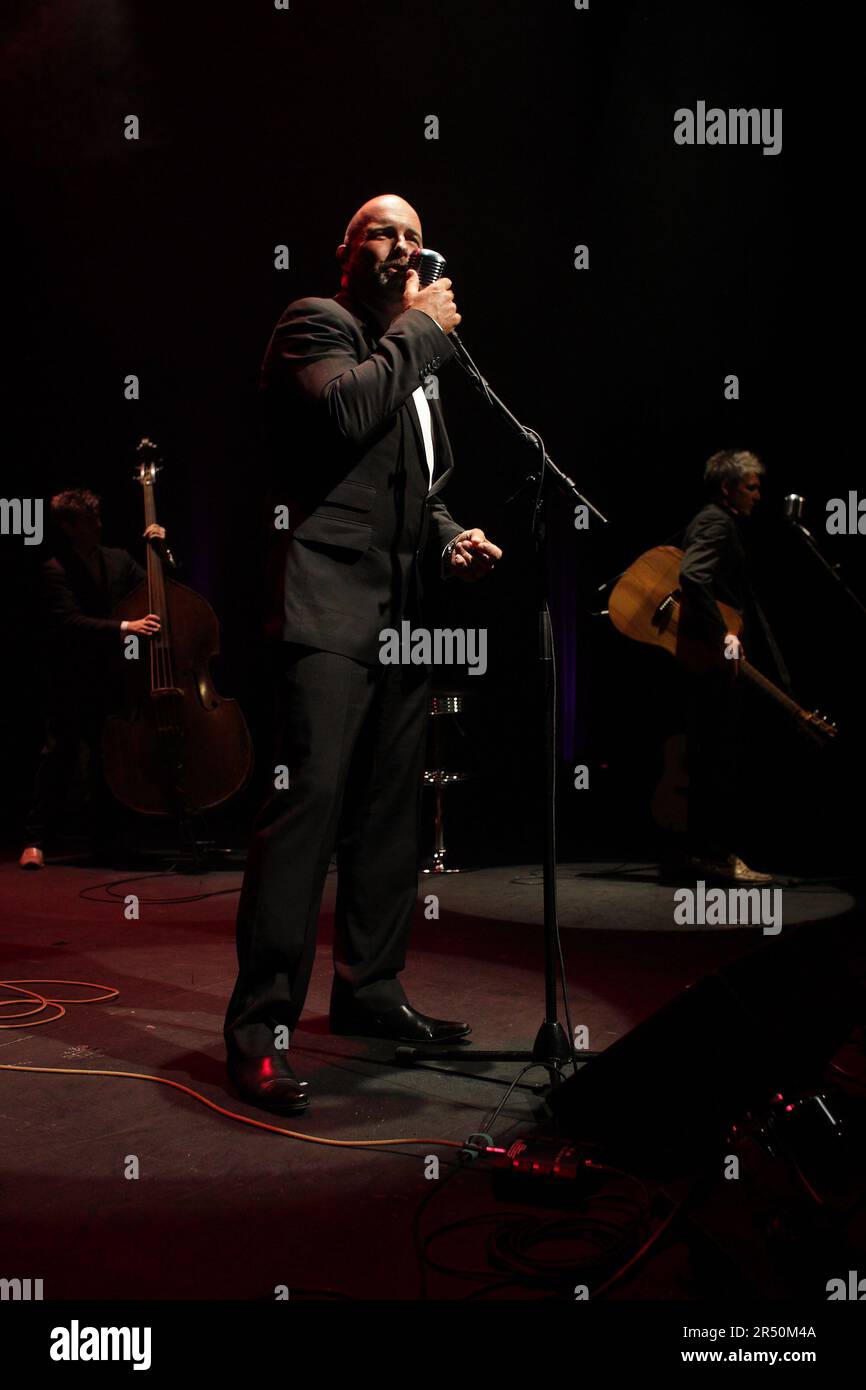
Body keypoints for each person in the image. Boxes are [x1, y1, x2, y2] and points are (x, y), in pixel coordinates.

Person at [224, 193, 502, 1114]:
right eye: (384, 232)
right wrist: (420, 333)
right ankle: (261, 1029)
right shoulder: (318, 326)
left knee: (390, 818)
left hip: (406, 611)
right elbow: (342, 420)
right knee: (306, 813)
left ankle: (370, 993)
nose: (404, 246)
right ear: (346, 251)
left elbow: (418, 485)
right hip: (327, 605)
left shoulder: (414, 366)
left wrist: (451, 533)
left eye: (418, 236)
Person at [18, 489, 164, 869]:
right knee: (60, 754)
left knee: (107, 760)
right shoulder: (54, 568)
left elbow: (158, 587)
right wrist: (126, 626)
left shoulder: (116, 559)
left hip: (110, 678)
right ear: (68, 526)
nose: (98, 525)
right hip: (68, 680)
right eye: (89, 520)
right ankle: (35, 840)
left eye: (98, 518)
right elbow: (68, 622)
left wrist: (159, 552)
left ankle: (107, 840)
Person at [678, 449, 790, 884]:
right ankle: (715, 857)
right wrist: (721, 633)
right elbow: (693, 575)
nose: (758, 495)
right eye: (751, 486)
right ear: (727, 488)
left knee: (712, 754)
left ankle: (707, 854)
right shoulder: (715, 521)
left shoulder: (717, 521)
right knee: (716, 755)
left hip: (709, 657)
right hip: (710, 658)